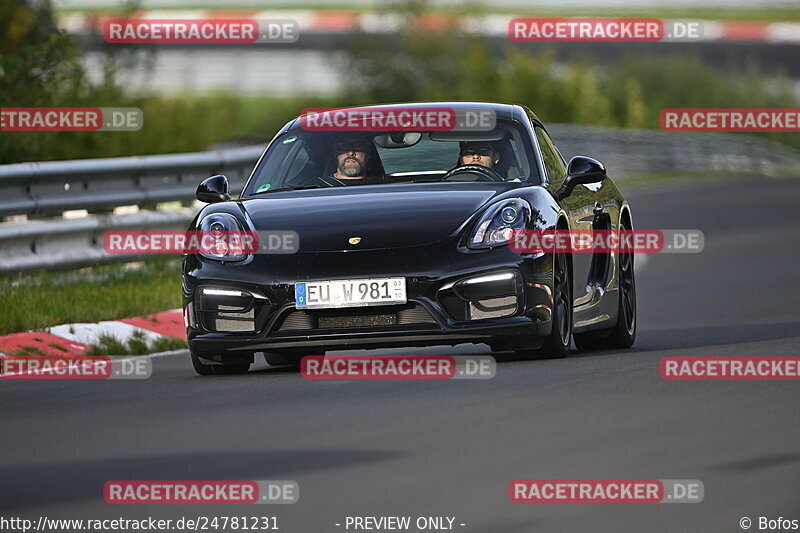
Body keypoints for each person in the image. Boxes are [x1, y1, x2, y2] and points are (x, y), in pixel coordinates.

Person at [317, 136, 385, 186]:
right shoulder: (314, 186)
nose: (351, 152)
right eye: (343, 146)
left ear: (368, 153)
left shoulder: (384, 187)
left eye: (358, 146)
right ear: (334, 153)